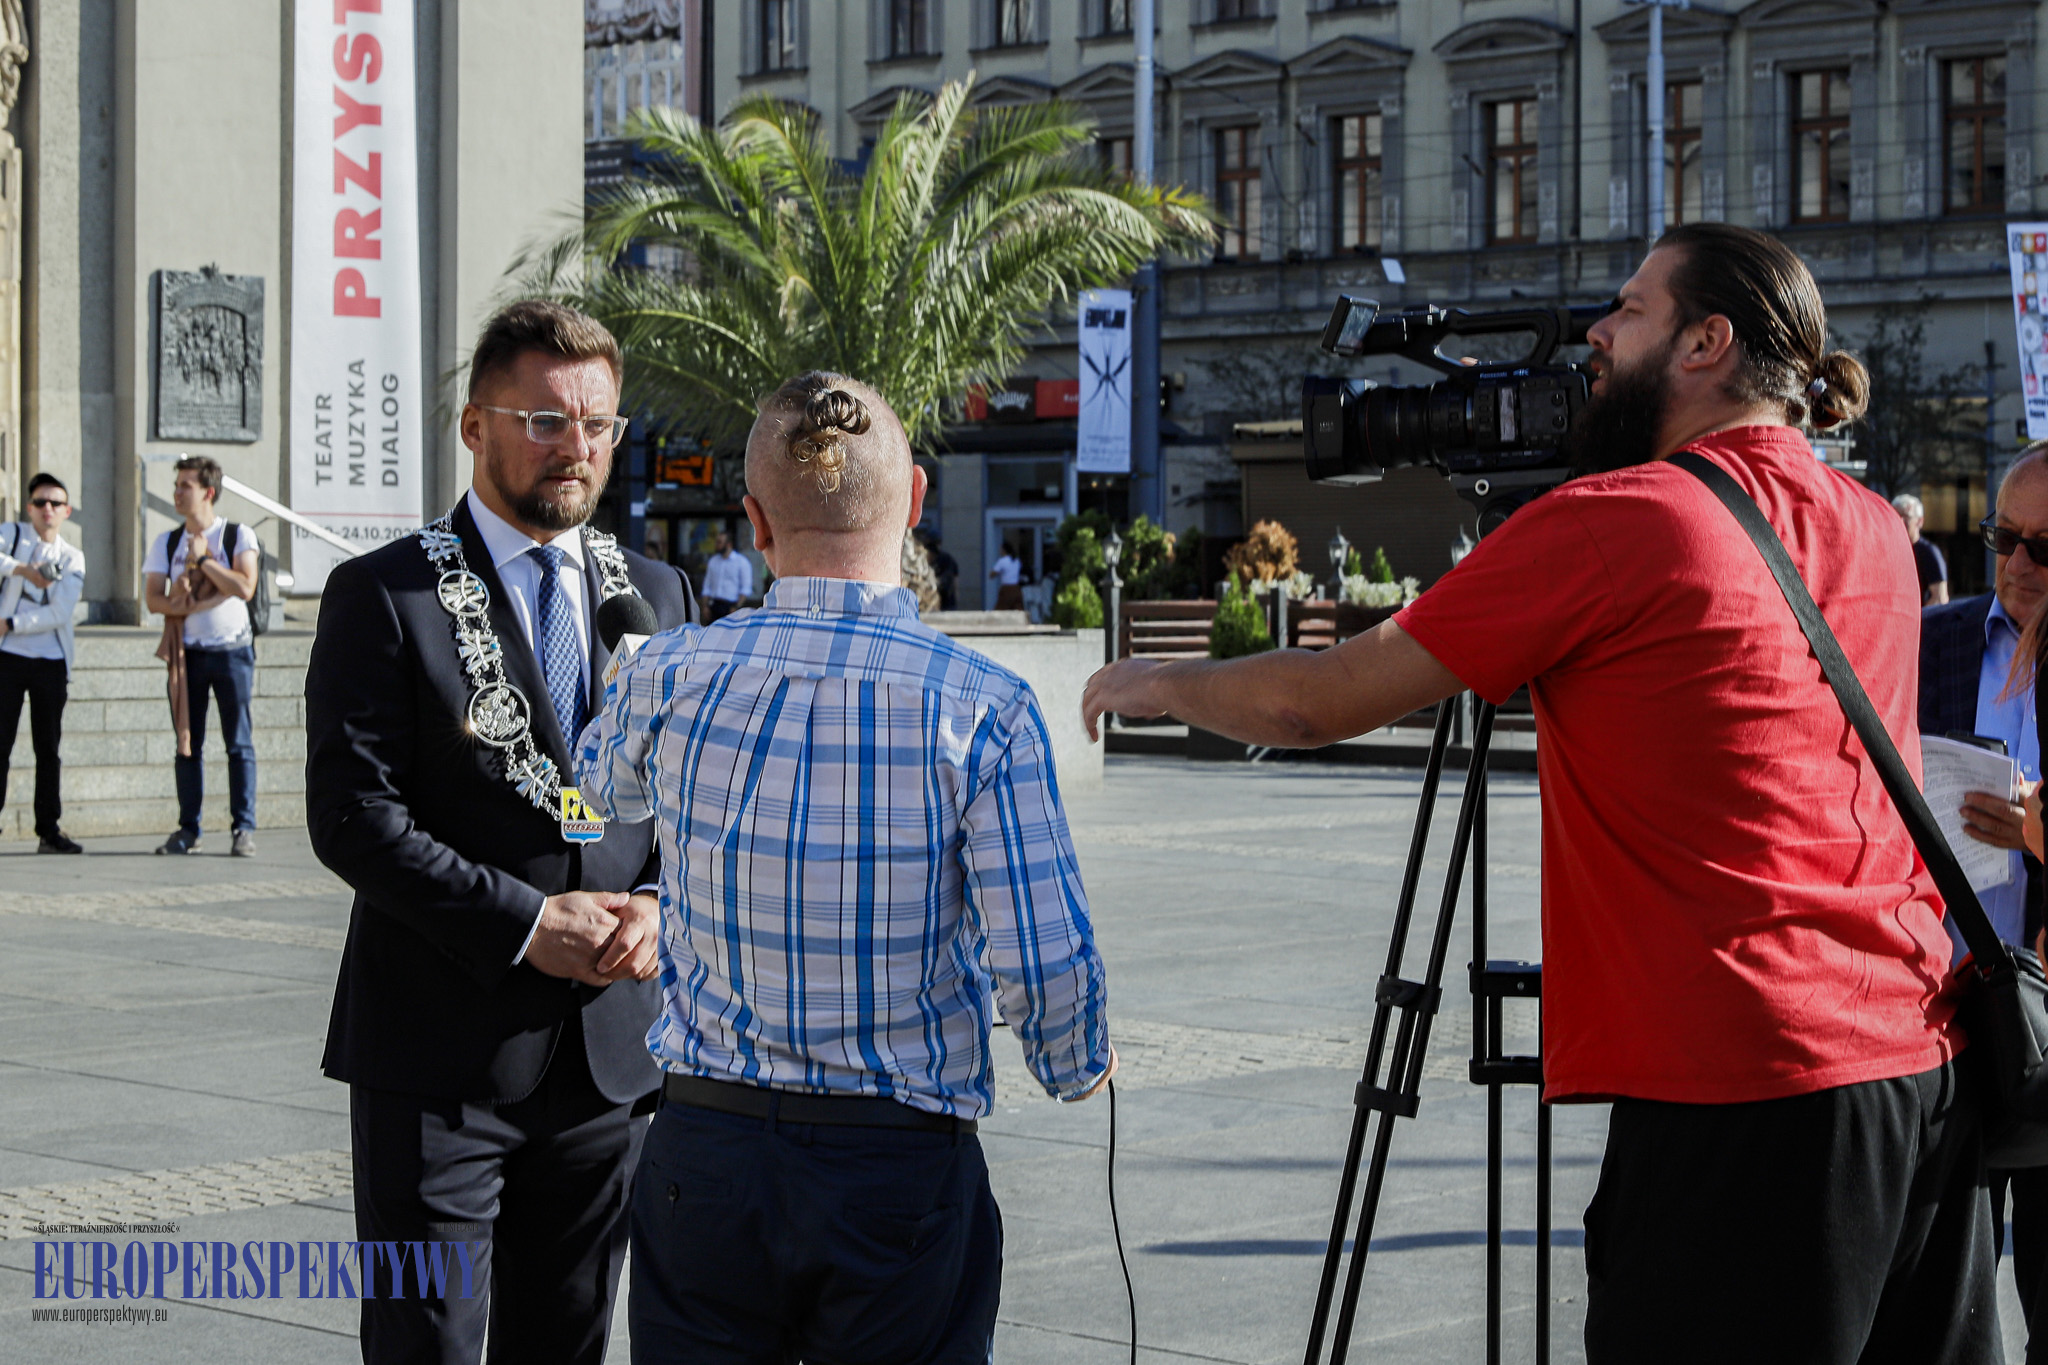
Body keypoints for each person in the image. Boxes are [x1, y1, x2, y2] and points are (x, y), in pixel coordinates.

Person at [1083, 223, 1995, 1363]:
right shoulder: (1870, 527)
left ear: (1706, 342)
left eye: (1626, 309)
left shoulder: (1619, 520)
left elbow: (1310, 704)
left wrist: (1156, 679)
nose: (1594, 338)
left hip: (1743, 1085)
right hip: (1921, 1056)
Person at [575, 370, 1113, 1363]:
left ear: (753, 519)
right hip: (895, 1163)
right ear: (912, 505)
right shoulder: (979, 706)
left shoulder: (666, 673)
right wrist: (1075, 1062)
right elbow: (1040, 961)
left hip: (708, 1149)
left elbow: (592, 801)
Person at [305, 300, 697, 1365]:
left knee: (565, 1346)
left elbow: (690, 796)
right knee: (423, 1342)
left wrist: (661, 907)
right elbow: (353, 819)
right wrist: (527, 923)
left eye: (597, 425)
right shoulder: (383, 595)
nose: (575, 447)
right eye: (544, 421)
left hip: (609, 1061)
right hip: (440, 1059)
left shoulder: (656, 594)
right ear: (475, 426)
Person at [1945, 445, 2048, 1355]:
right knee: (1937, 1316)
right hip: (1938, 1021)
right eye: (2002, 538)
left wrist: (2038, 830)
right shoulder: (1933, 639)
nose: (2017, 565)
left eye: (2044, 549)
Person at [143, 455, 261, 857]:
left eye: (185, 486)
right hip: (187, 655)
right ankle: (188, 829)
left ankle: (243, 827)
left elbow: (245, 587)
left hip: (232, 652)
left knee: (238, 743)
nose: (176, 493)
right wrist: (190, 603)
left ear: (208, 492)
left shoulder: (236, 535)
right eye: (176, 485)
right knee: (187, 743)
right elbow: (155, 600)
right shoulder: (167, 542)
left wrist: (205, 560)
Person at [0, 472, 86, 853]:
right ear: (29, 508)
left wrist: (11, 623)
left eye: (55, 504)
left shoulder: (71, 557)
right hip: (8, 659)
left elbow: (60, 612)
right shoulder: (12, 536)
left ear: (66, 511)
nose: (47, 510)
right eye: (39, 503)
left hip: (50, 661)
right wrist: (22, 569)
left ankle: (48, 830)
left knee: (47, 747)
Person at [1897, 492, 1951, 606]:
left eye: (1906, 516)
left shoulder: (1929, 552)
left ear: (1920, 521)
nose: (1900, 521)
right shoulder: (1889, 551)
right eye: (1896, 516)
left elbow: (1940, 598)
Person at [698, 529, 752, 622]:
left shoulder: (741, 562)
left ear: (728, 544)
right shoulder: (713, 561)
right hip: (714, 605)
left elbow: (745, 588)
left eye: (719, 542)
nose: (716, 545)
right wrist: (705, 606)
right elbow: (707, 585)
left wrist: (736, 607)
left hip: (730, 606)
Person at [925, 530, 960, 609]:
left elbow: (954, 581)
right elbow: (955, 582)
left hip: (944, 602)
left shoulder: (947, 559)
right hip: (937, 603)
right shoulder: (948, 558)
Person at [990, 539, 1023, 611]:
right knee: (1018, 610)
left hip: (1007, 589)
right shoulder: (1017, 560)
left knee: (1000, 610)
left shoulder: (1002, 561)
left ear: (1004, 550)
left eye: (1001, 549)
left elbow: (992, 574)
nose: (1000, 551)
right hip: (1016, 588)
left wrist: (997, 573)